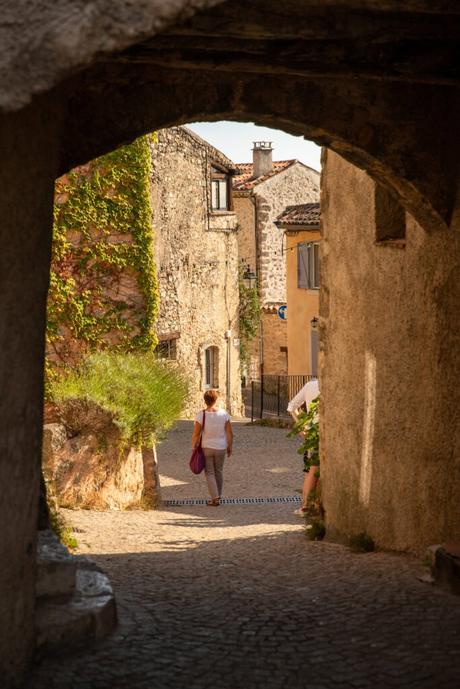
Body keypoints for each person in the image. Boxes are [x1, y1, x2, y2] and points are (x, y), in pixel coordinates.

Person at [191, 389, 233, 506]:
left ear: (205, 400)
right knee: (218, 471)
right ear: (216, 400)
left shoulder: (201, 415)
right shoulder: (224, 414)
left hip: (207, 447)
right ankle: (218, 496)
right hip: (221, 447)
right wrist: (230, 446)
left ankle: (214, 497)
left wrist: (194, 446)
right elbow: (229, 433)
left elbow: (196, 434)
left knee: (209, 472)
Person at [287, 378, 320, 516]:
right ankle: (307, 506)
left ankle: (306, 505)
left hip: (312, 431)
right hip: (320, 432)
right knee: (314, 471)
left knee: (309, 472)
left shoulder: (310, 385)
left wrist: (302, 426)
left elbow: (291, 407)